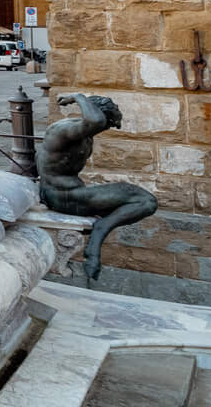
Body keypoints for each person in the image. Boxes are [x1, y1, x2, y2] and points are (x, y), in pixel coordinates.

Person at [35, 94, 156, 280]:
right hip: (61, 197)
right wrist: (77, 97)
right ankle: (99, 232)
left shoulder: (84, 135)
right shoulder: (62, 130)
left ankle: (101, 230)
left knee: (135, 204)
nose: (105, 129)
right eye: (108, 125)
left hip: (73, 194)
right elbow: (95, 121)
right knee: (146, 201)